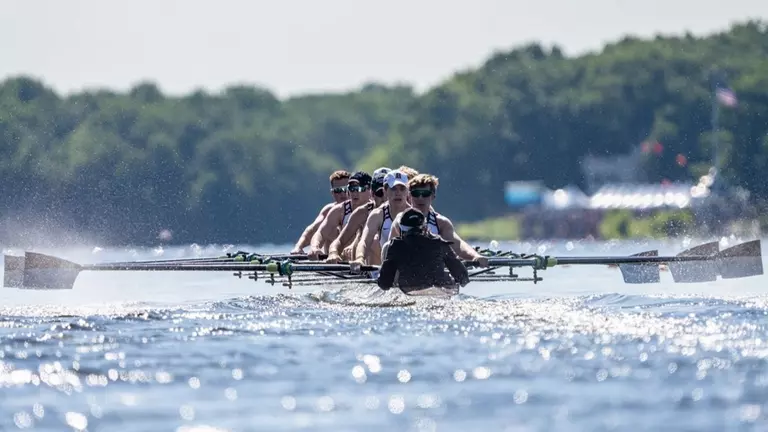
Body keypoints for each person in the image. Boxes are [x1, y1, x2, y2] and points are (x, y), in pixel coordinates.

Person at [385, 173, 489, 267]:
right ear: (409, 196)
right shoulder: (401, 219)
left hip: (434, 276)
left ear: (433, 195)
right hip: (405, 276)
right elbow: (389, 252)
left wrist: (475, 257)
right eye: (416, 193)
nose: (420, 198)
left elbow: (458, 244)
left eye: (425, 193)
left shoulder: (441, 222)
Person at [377, 208, 470, 293]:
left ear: (401, 230)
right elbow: (463, 279)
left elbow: (384, 284)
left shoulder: (395, 246)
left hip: (409, 293)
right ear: (425, 228)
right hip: (440, 293)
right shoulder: (439, 243)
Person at [325, 169, 389, 263]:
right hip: (367, 266)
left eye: (386, 193)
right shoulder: (362, 212)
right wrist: (333, 252)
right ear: (372, 194)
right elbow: (340, 241)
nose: (384, 197)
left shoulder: (405, 213)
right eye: (380, 193)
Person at [307, 171, 372, 259]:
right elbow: (321, 233)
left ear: (370, 190)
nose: (355, 193)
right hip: (344, 262)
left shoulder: (377, 210)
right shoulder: (339, 210)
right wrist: (315, 247)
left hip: (367, 261)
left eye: (359, 189)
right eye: (352, 189)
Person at [353, 169, 412, 266]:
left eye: (402, 188)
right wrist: (360, 258)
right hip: (388, 268)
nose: (398, 193)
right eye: (393, 188)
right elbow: (364, 241)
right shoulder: (378, 215)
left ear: (407, 192)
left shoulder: (415, 215)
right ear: (385, 191)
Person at [291, 170, 350, 254]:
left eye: (345, 189)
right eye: (338, 190)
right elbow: (312, 229)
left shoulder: (362, 209)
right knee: (331, 229)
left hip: (355, 260)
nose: (343, 194)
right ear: (332, 193)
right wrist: (298, 247)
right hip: (332, 262)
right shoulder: (329, 210)